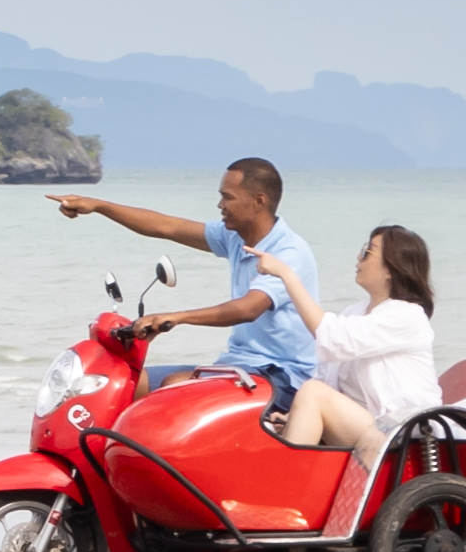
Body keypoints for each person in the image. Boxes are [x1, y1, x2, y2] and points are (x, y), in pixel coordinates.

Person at [53, 158, 326, 425]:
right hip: (239, 365)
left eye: (227, 197)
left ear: (259, 201)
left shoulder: (288, 252)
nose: (220, 205)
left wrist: (178, 316)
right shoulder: (236, 237)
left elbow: (248, 308)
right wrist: (99, 206)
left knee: (176, 387)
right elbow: (166, 226)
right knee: (130, 384)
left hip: (283, 378)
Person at [287, 222, 442, 459]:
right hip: (370, 425)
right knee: (294, 405)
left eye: (367, 252)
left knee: (312, 393)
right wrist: (297, 417)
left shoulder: (407, 315)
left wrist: (288, 277)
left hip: (402, 430)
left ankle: (286, 484)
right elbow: (328, 377)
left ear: (391, 268)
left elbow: (331, 339)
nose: (359, 258)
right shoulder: (354, 312)